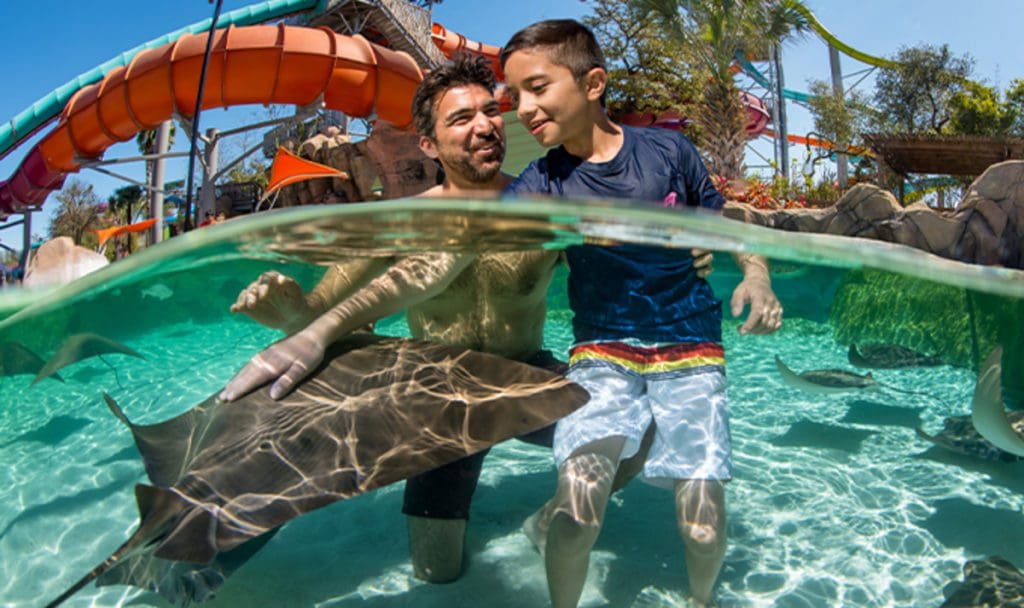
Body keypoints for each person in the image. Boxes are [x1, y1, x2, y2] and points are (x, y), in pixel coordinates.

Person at [222, 54, 712, 586]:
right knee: (437, 571)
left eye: (490, 112)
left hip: (524, 375)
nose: (484, 126)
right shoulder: (403, 222)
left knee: (639, 434)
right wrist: (291, 312)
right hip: (439, 392)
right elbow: (323, 314)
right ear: (427, 144)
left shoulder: (545, 205)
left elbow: (621, 284)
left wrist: (676, 257)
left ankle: (545, 521)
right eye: (461, 119)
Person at [499, 20, 782, 608]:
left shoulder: (668, 151)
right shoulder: (543, 179)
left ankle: (701, 602)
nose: (522, 108)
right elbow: (494, 230)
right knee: (576, 517)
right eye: (515, 95)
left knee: (700, 526)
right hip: (602, 351)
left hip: (691, 347)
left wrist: (756, 274)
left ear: (593, 82)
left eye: (537, 87)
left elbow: (721, 221)